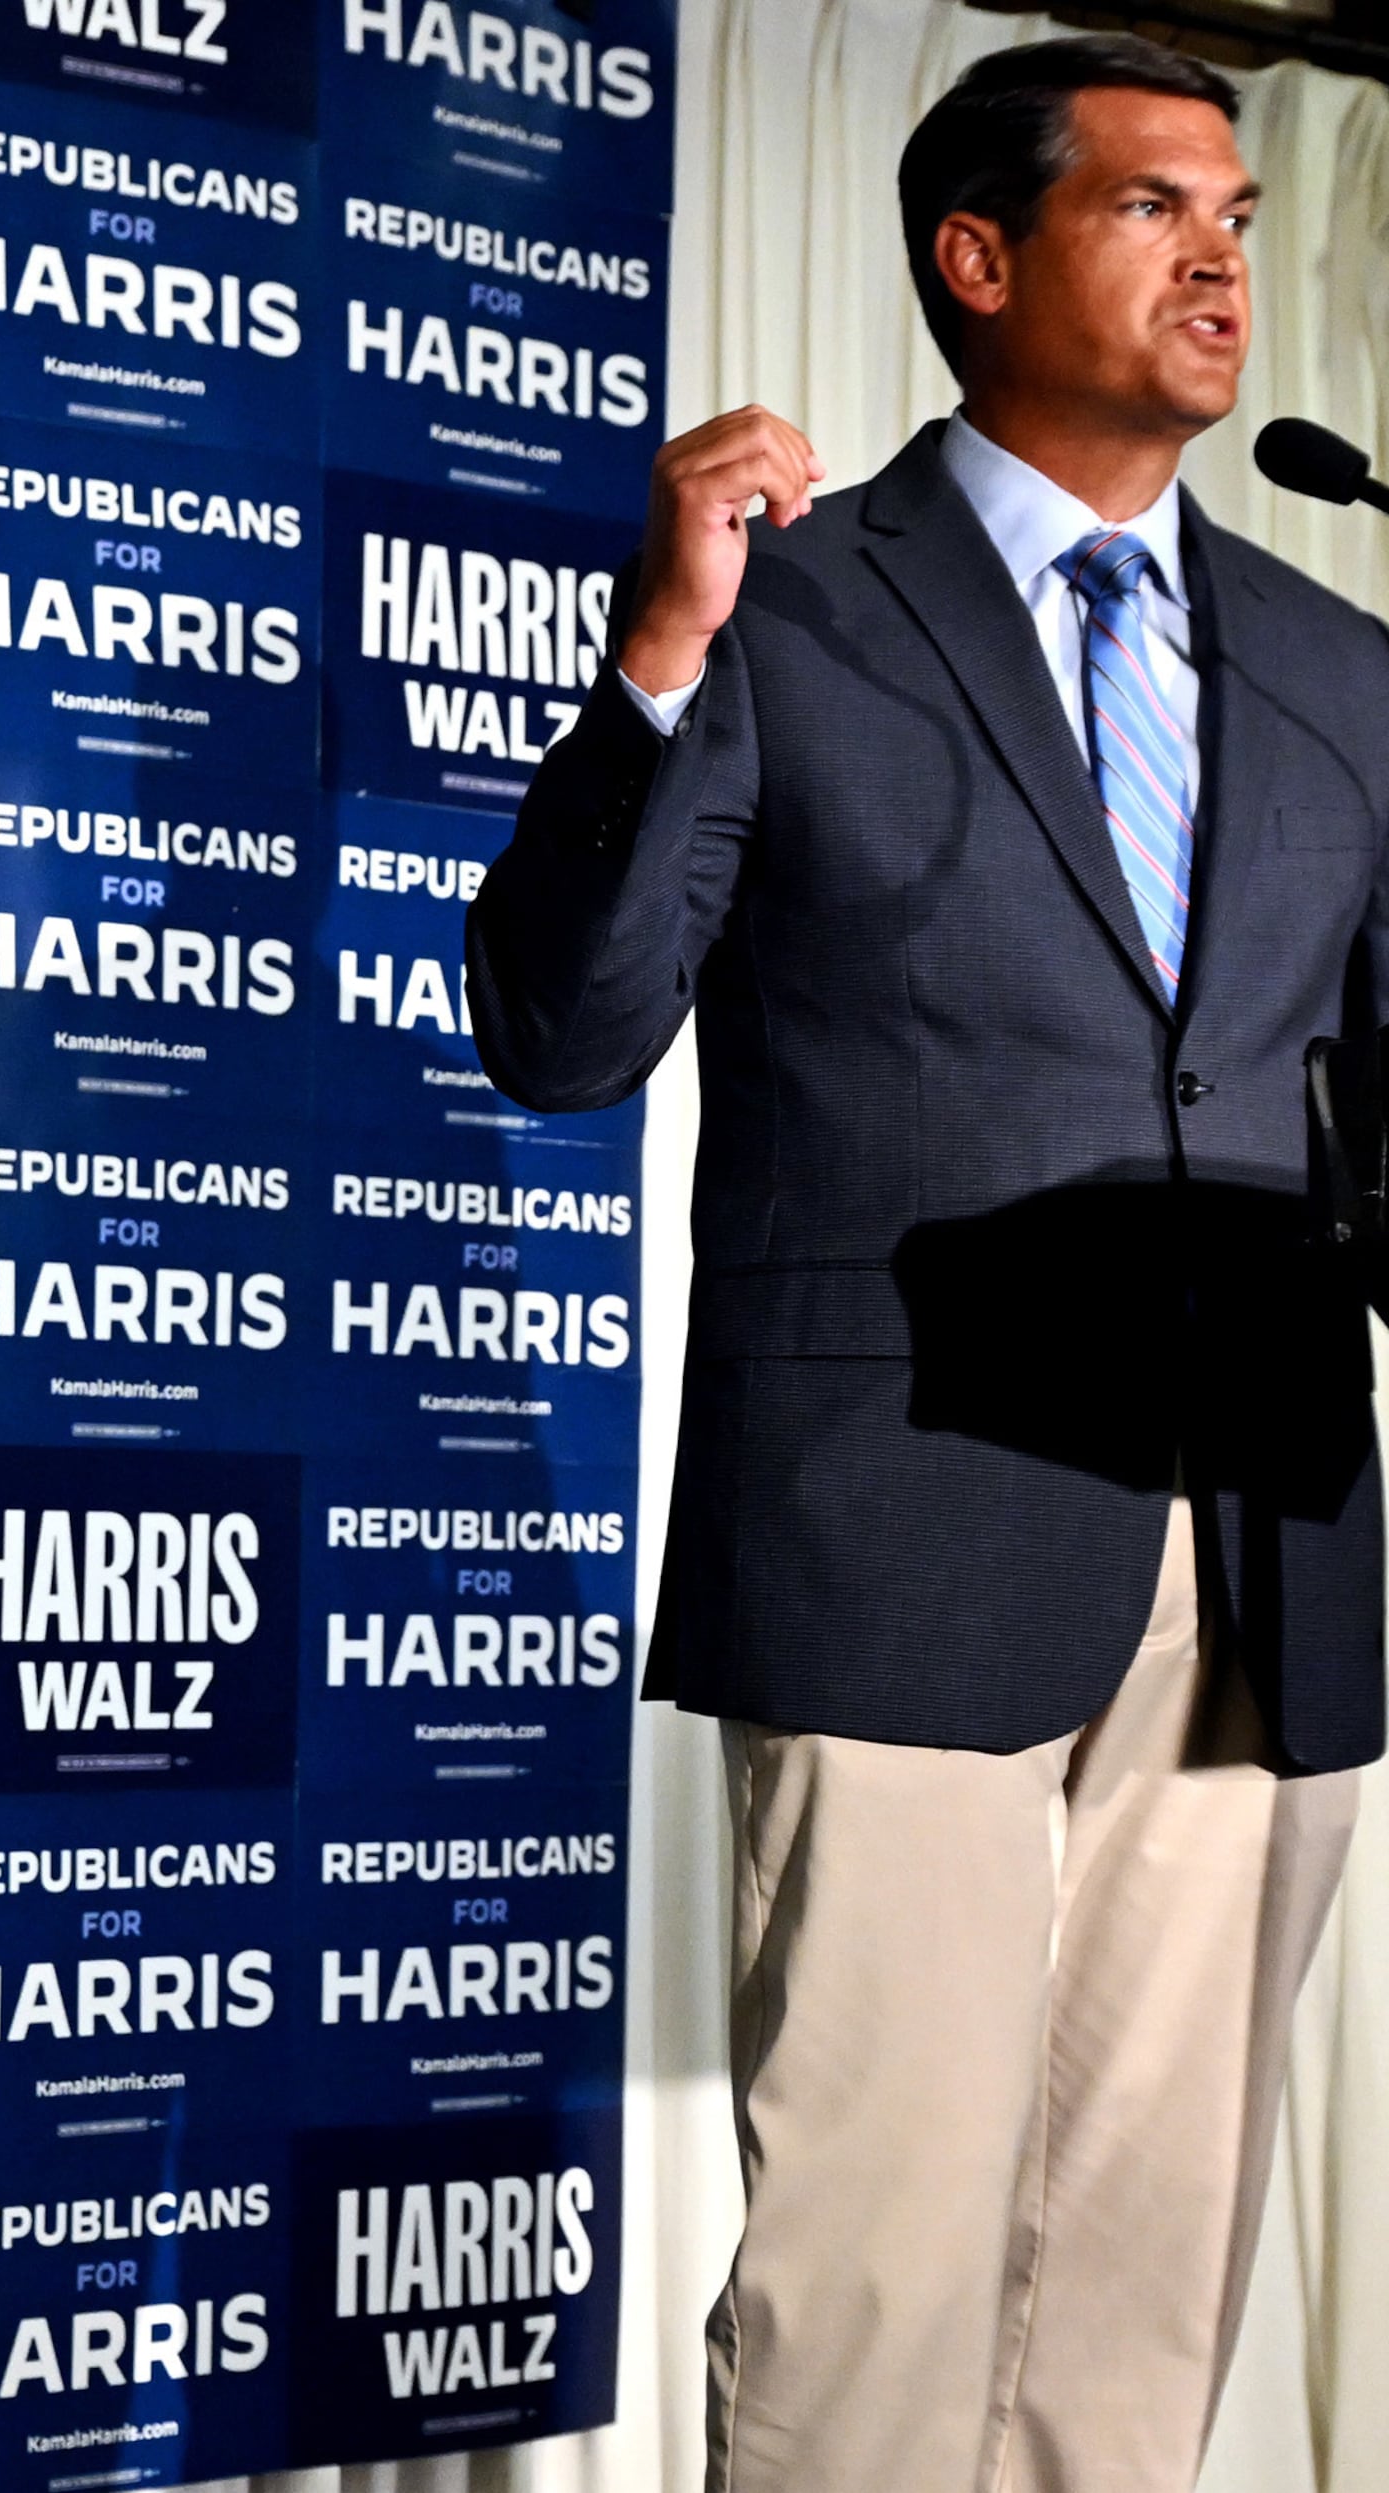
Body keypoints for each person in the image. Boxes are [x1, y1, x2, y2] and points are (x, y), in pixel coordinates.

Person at [470, 34, 1378, 2493]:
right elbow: (562, 1033)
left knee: (1152, 2248)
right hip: (904, 1500)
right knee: (875, 2246)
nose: (1221, 255)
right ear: (977, 259)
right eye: (1153, 206)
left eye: (1241, 215)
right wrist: (655, 650)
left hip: (1259, 1528)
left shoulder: (1340, 662)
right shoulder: (787, 612)